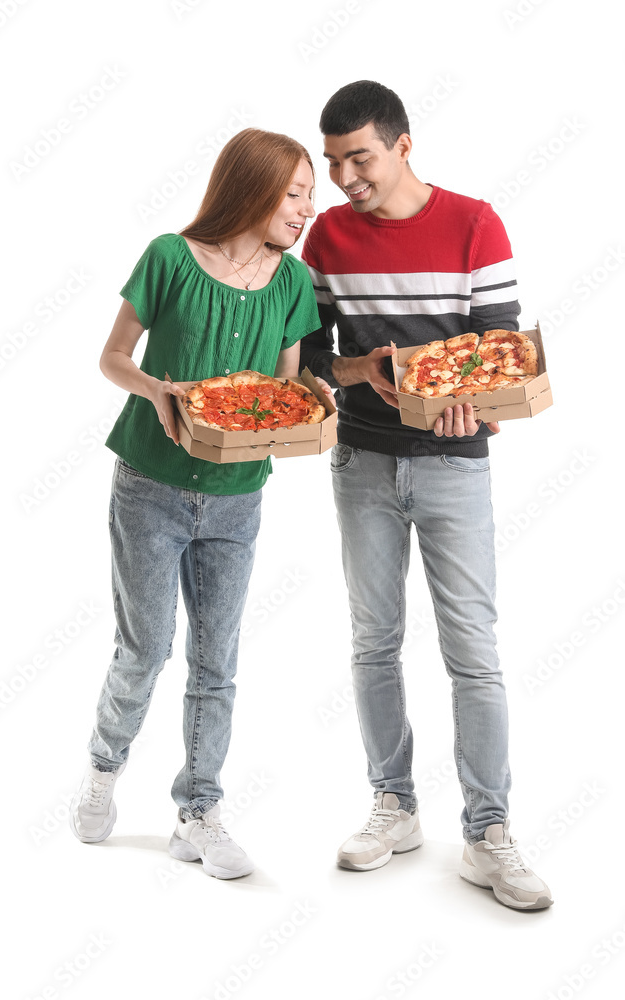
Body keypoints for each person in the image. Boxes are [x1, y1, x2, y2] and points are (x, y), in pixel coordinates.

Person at [299, 80, 552, 910]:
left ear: (402, 145)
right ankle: (393, 805)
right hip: (363, 462)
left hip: (454, 464)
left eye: (359, 158)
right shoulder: (325, 237)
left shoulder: (475, 223)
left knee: (471, 650)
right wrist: (361, 369)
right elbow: (310, 361)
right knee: (374, 641)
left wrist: (473, 399)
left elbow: (499, 353)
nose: (344, 178)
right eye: (333, 162)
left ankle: (488, 831)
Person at [70, 128, 320, 880]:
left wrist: (310, 408)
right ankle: (103, 769)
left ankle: (198, 813)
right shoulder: (170, 257)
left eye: (310, 195)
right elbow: (112, 357)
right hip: (150, 485)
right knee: (145, 650)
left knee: (217, 661)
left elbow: (282, 388)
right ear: (252, 188)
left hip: (238, 497)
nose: (307, 209)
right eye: (295, 193)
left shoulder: (293, 281)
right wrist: (157, 391)